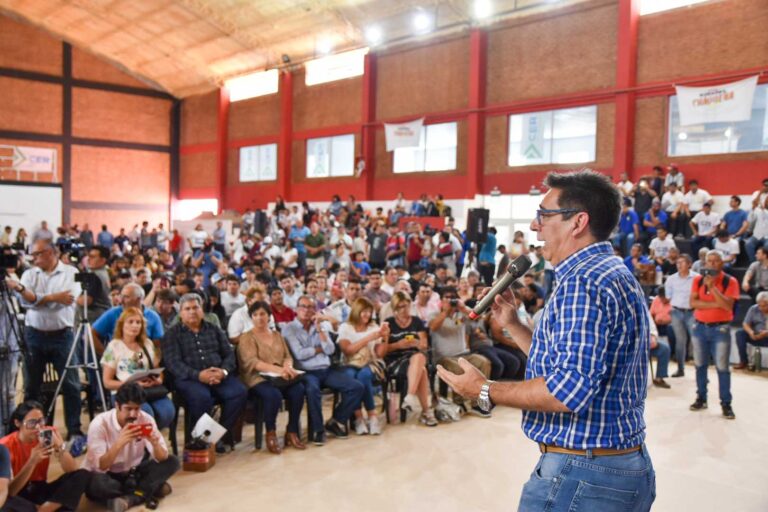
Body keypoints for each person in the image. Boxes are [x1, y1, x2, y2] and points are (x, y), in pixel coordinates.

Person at [437, 170, 655, 511]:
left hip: (583, 473)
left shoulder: (582, 282)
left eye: (544, 214)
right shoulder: (611, 270)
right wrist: (514, 325)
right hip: (615, 465)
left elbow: (566, 390)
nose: (535, 226)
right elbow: (571, 363)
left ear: (578, 222)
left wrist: (483, 389)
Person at [5, 240, 84, 440]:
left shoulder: (70, 272)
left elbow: (65, 301)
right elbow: (26, 303)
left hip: (62, 335)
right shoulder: (29, 274)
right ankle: (32, 429)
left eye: (37, 254)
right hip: (34, 335)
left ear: (50, 253)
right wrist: (51, 297)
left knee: (71, 384)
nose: (33, 259)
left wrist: (35, 297)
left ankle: (74, 429)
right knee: (32, 385)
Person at [161, 293, 247, 453]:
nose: (192, 312)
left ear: (202, 310)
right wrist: (198, 375)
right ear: (180, 313)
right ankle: (204, 440)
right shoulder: (172, 334)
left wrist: (223, 372)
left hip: (218, 375)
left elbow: (229, 354)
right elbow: (174, 364)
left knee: (239, 392)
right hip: (189, 379)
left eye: (196, 307)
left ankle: (215, 436)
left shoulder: (213, 329)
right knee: (202, 397)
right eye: (187, 309)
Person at [282, 296, 364, 446]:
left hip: (326, 370)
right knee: (313, 390)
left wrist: (319, 329)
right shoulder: (289, 329)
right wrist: (319, 349)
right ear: (296, 309)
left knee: (356, 387)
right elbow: (300, 354)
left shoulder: (321, 326)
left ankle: (336, 420)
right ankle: (318, 431)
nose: (307, 311)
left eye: (311, 307)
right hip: (305, 372)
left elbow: (330, 349)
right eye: (303, 307)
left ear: (315, 310)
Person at [84, 383, 179, 511]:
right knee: (96, 485)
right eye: (128, 409)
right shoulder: (99, 424)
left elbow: (162, 458)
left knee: (173, 461)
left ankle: (129, 498)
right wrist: (119, 443)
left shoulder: (145, 419)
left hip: (133, 472)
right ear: (117, 405)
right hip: (107, 475)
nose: (133, 414)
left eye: (137, 408)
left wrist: (155, 444)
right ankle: (144, 491)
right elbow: (101, 466)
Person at [237, 302, 306, 454]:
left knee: (298, 390)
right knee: (273, 395)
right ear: (251, 318)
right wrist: (280, 370)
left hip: (279, 376)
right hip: (257, 378)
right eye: (255, 315)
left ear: (269, 316)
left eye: (263, 314)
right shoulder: (247, 337)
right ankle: (271, 433)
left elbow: (287, 356)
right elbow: (252, 362)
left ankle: (292, 431)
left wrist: (287, 367)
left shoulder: (277, 335)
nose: (259, 318)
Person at [0, 401, 90, 512]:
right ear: (18, 423)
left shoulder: (48, 433)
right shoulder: (5, 446)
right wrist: (32, 462)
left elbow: (72, 470)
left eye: (41, 421)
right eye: (32, 423)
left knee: (82, 475)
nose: (38, 427)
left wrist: (60, 448)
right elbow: (10, 491)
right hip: (18, 494)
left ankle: (43, 509)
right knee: (6, 503)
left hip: (40, 489)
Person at [100, 308, 175, 430]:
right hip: (126, 391)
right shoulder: (114, 346)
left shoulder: (147, 344)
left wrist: (159, 380)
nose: (135, 325)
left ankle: (150, 437)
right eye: (130, 322)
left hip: (149, 389)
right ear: (122, 324)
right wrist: (132, 383)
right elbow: (107, 382)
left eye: (138, 322)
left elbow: (157, 369)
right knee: (145, 413)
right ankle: (142, 442)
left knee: (167, 411)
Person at [689, 250, 739, 420]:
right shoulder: (697, 280)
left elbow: (727, 307)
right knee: (700, 365)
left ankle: (726, 403)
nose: (711, 264)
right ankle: (701, 398)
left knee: (723, 368)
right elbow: (693, 303)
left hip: (720, 329)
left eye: (715, 261)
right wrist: (715, 304)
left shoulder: (729, 281)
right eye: (709, 261)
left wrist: (713, 289)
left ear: (721, 263)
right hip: (699, 327)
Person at [428, 287, 492, 416]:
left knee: (484, 362)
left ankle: (478, 402)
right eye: (446, 297)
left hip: (463, 354)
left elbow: (478, 318)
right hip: (444, 357)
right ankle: (459, 401)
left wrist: (463, 308)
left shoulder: (461, 314)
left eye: (453, 297)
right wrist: (445, 312)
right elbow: (433, 327)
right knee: (457, 368)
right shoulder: (434, 314)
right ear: (440, 300)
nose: (450, 300)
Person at [378, 292, 437, 427]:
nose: (404, 310)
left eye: (406, 306)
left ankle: (411, 397)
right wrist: (398, 345)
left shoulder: (416, 321)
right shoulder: (388, 324)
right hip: (395, 359)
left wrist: (416, 343)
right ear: (394, 309)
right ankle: (425, 411)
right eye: (400, 307)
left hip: (414, 356)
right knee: (421, 367)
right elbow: (383, 350)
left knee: (419, 358)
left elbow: (424, 344)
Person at [337, 298, 386, 436]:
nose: (367, 315)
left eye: (369, 312)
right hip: (350, 362)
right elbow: (348, 350)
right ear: (356, 311)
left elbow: (379, 353)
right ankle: (358, 418)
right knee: (351, 377)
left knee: (363, 376)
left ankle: (372, 416)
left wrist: (385, 337)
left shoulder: (374, 327)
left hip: (370, 362)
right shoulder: (345, 327)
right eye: (364, 311)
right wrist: (368, 338)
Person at [665, 254, 697, 378]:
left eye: (682, 262)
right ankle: (680, 369)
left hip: (692, 312)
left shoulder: (697, 278)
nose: (679, 265)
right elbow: (668, 297)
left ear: (689, 264)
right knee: (680, 342)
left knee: (697, 341)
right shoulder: (671, 279)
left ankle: (700, 370)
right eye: (677, 262)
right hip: (677, 312)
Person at [734, 292, 768, 371]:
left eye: (764, 306)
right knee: (740, 333)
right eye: (760, 305)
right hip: (756, 335)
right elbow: (745, 323)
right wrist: (751, 332)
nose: (761, 308)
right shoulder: (754, 308)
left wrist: (766, 333)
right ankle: (743, 361)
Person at [648, 292, 672, 388]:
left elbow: (652, 326)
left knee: (664, 349)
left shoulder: (642, 309)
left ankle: (659, 378)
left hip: (645, 343)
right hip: (629, 344)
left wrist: (653, 336)